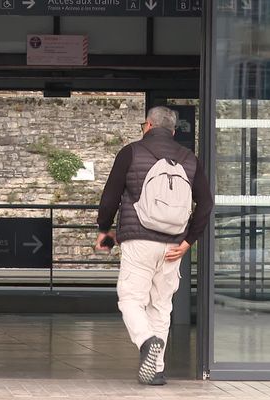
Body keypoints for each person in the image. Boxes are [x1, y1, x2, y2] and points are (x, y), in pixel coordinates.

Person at [95, 106, 213, 385]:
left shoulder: (131, 152)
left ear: (147, 125)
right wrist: (188, 242)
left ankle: (146, 341)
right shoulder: (189, 158)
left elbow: (110, 196)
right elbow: (206, 204)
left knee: (131, 299)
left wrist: (104, 229)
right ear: (173, 131)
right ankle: (156, 371)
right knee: (161, 306)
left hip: (139, 241)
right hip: (173, 245)